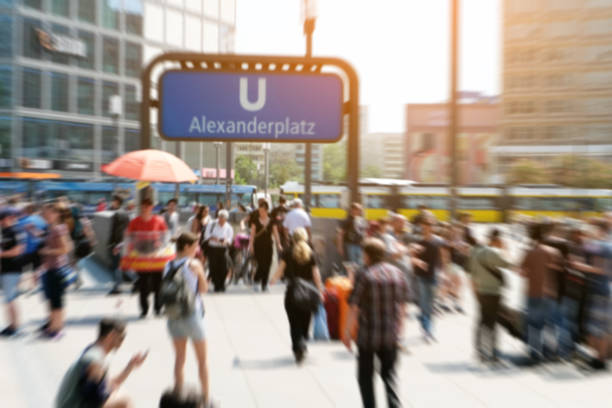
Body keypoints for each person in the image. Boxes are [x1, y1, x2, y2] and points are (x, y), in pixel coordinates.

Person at [343, 238, 410, 408]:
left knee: (365, 376)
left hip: (368, 335)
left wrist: (347, 332)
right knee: (390, 375)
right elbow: (403, 305)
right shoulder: (397, 273)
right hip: (390, 334)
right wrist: (400, 328)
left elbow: (354, 306)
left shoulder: (364, 274)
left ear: (367, 255)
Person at [163, 233, 213, 405]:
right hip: (192, 316)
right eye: (194, 246)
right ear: (185, 247)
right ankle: (206, 400)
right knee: (202, 361)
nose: (197, 249)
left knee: (179, 359)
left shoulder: (167, 265)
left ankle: (177, 398)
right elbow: (204, 289)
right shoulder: (194, 264)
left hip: (173, 316)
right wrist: (201, 275)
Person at [55, 318, 147, 408]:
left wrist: (130, 366)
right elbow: (96, 402)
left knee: (118, 393)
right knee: (125, 401)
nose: (122, 341)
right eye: (122, 337)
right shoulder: (95, 361)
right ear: (111, 335)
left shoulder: (92, 351)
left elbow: (110, 385)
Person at [270, 227, 324, 363]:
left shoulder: (288, 252)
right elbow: (316, 275)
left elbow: (280, 270)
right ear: (306, 238)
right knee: (306, 320)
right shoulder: (311, 253)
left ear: (293, 238)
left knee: (294, 322)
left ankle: (297, 347)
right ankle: (302, 343)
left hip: (292, 291)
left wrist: (273, 280)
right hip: (309, 292)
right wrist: (321, 291)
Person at [520, 223, 566, 365]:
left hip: (532, 292)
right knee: (550, 324)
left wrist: (532, 274)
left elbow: (522, 272)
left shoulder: (529, 252)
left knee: (534, 324)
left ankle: (534, 353)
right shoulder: (553, 252)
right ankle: (550, 352)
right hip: (549, 293)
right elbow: (560, 269)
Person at [469, 228, 513, 363]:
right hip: (494, 293)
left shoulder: (476, 252)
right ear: (497, 240)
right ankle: (493, 353)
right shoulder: (495, 252)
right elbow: (509, 264)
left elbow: (473, 275)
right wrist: (505, 249)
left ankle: (479, 351)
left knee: (482, 321)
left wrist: (475, 292)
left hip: (481, 292)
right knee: (493, 323)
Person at [126, 197, 168, 318]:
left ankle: (158, 308)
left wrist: (162, 248)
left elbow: (165, 236)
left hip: (156, 255)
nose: (145, 209)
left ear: (152, 207)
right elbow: (129, 237)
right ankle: (144, 309)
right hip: (142, 255)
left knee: (158, 284)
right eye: (143, 206)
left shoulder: (159, 220)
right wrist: (131, 251)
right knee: (143, 284)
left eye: (147, 206)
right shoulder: (135, 221)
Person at [40, 202, 74, 338]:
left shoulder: (58, 228)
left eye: (48, 212)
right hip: (51, 269)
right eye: (45, 212)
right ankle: (53, 326)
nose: (45, 214)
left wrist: (47, 250)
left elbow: (65, 248)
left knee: (57, 302)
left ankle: (57, 329)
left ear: (56, 214)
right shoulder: (53, 228)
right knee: (52, 301)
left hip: (56, 270)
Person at [412, 215, 444, 342]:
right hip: (421, 276)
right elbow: (413, 258)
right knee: (425, 303)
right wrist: (418, 262)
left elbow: (442, 258)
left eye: (429, 226)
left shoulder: (438, 241)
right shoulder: (418, 241)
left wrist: (442, 273)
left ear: (433, 227)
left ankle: (428, 328)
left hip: (433, 275)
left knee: (431, 304)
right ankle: (427, 331)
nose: (426, 229)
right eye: (424, 227)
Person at [0, 208, 26, 337]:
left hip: (13, 269)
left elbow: (18, 250)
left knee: (10, 299)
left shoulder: (16, 231)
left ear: (6, 219)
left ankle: (15, 327)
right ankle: (12, 325)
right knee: (9, 299)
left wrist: (1, 254)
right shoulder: (5, 232)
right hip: (6, 269)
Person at [249, 200, 281, 292]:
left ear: (267, 210)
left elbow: (276, 233)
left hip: (268, 245)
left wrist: (278, 244)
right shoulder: (255, 220)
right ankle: (256, 281)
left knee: (268, 264)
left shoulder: (272, 221)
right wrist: (251, 245)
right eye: (259, 211)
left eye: (262, 211)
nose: (261, 212)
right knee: (261, 264)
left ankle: (264, 283)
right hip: (258, 245)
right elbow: (252, 234)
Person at [204, 210, 233, 292]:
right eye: (220, 218)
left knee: (224, 267)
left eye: (223, 219)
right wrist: (215, 238)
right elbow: (206, 235)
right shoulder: (212, 224)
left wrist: (225, 241)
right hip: (213, 248)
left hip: (223, 249)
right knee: (213, 267)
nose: (221, 221)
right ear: (218, 217)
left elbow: (230, 239)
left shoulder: (228, 227)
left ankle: (222, 283)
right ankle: (216, 284)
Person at [108, 195, 132, 295]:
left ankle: (117, 287)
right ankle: (137, 280)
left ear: (117, 202)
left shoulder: (116, 214)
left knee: (117, 265)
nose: (111, 203)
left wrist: (113, 244)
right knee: (123, 265)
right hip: (125, 242)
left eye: (113, 201)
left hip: (118, 243)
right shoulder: (126, 214)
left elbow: (115, 231)